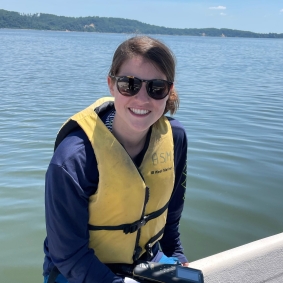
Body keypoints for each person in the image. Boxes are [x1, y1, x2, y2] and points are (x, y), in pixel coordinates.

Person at [43, 35, 189, 283]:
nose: (142, 99)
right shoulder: (73, 159)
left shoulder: (175, 138)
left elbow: (171, 218)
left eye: (156, 87)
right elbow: (68, 255)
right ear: (111, 85)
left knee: (192, 279)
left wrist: (177, 256)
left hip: (146, 262)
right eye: (129, 84)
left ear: (169, 91)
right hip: (79, 272)